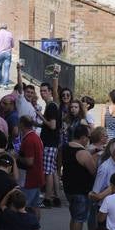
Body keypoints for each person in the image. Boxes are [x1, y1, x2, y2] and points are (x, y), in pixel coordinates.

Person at [62, 123, 97, 230]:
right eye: (87, 137)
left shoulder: (65, 147)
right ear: (83, 137)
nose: (88, 139)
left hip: (68, 188)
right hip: (81, 191)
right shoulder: (83, 153)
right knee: (79, 219)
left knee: (74, 216)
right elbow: (93, 171)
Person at [37, 79, 62, 207]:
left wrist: (40, 116)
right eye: (41, 91)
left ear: (50, 92)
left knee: (47, 172)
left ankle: (47, 199)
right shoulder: (51, 105)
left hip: (49, 144)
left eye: (45, 91)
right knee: (51, 171)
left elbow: (52, 126)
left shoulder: (51, 106)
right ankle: (55, 197)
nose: (42, 93)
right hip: (52, 143)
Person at [18, 115, 45, 215]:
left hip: (29, 179)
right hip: (37, 177)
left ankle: (28, 228)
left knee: (24, 206)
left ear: (21, 124)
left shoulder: (29, 140)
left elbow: (29, 161)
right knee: (35, 206)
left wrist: (17, 157)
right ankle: (35, 228)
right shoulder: (35, 137)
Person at [0, 22, 14, 88]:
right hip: (7, 53)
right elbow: (12, 45)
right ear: (6, 28)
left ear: (0, 27)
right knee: (6, 69)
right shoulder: (10, 34)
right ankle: (5, 84)